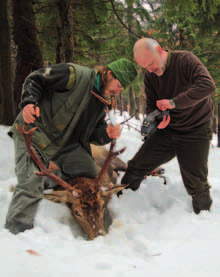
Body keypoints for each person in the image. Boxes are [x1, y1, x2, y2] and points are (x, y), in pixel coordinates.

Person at [5, 59, 137, 234]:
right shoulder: (74, 75)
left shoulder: (100, 101)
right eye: (119, 85)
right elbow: (36, 79)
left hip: (66, 146)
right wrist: (29, 102)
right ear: (109, 74)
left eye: (121, 89)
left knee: (94, 175)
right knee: (30, 184)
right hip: (35, 136)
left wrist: (107, 133)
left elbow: (93, 134)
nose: (118, 91)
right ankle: (17, 232)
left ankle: (68, 189)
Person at [119, 37, 215, 215]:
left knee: (196, 183)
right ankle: (120, 205)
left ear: (159, 50)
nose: (150, 70)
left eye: (152, 64)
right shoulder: (150, 76)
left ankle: (204, 221)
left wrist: (174, 103)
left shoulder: (185, 60)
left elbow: (207, 85)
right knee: (135, 167)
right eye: (145, 67)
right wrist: (157, 120)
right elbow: (151, 106)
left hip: (195, 129)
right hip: (168, 131)